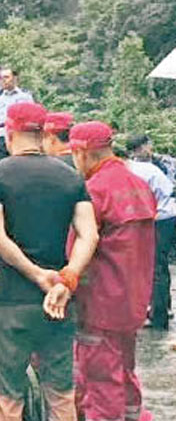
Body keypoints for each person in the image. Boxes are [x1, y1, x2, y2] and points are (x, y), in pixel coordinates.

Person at [0, 103, 98, 421]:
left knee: (7, 399)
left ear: (11, 132)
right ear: (43, 132)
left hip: (12, 303)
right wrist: (66, 277)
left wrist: (35, 274)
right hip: (58, 301)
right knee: (61, 395)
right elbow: (90, 235)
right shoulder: (70, 176)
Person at [70, 122, 156, 421]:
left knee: (100, 381)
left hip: (100, 304)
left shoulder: (93, 191)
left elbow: (78, 249)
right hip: (133, 301)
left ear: (82, 153)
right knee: (126, 371)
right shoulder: (139, 185)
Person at [125, 138, 176, 330]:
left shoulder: (130, 170)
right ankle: (163, 308)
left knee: (152, 267)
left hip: (150, 219)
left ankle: (157, 313)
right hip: (165, 217)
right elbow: (168, 189)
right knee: (158, 266)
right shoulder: (151, 169)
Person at [0, 68, 34, 160]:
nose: (3, 80)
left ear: (14, 78)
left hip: (19, 135)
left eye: (6, 77)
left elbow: (31, 116)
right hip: (2, 136)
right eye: (1, 78)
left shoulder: (25, 96)